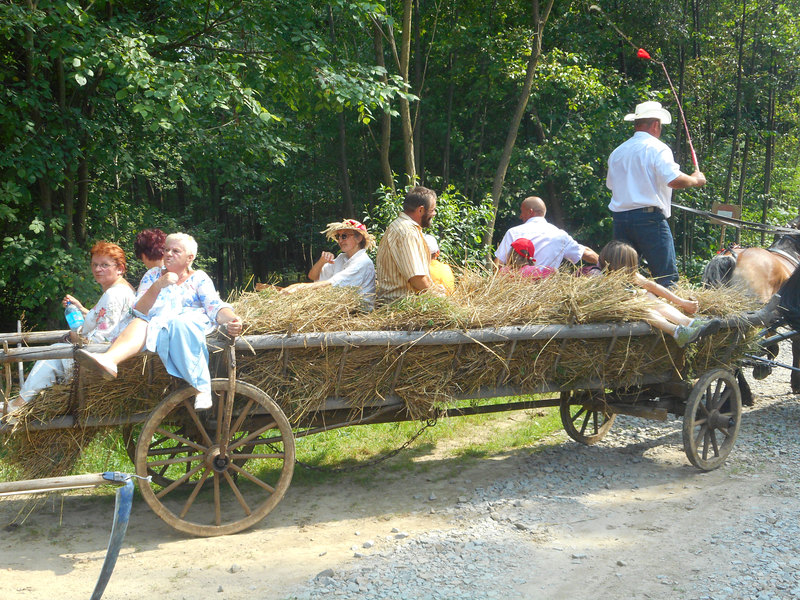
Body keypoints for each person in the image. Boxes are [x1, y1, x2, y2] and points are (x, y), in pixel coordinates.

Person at [76, 233, 243, 410]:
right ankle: (109, 360)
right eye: (166, 249)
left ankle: (201, 387)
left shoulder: (199, 278)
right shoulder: (152, 275)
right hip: (157, 327)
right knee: (139, 322)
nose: (168, 254)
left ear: (189, 258)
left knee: (180, 323)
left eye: (175, 251)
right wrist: (158, 285)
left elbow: (215, 307)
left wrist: (232, 319)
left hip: (186, 326)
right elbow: (139, 310)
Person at [7, 242, 135, 413]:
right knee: (56, 351)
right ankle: (24, 403)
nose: (98, 269)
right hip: (109, 356)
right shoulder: (123, 290)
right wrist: (81, 309)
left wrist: (76, 337)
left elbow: (103, 337)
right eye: (95, 264)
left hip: (98, 361)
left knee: (52, 354)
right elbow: (104, 319)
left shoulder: (113, 294)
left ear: (120, 268)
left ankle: (20, 405)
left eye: (105, 265)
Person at [607, 101, 707, 288]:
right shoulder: (657, 148)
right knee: (666, 277)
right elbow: (674, 180)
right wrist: (696, 180)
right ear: (655, 125)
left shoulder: (617, 152)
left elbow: (612, 186)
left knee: (623, 278)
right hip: (649, 219)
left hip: (620, 220)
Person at [598, 240, 720, 347]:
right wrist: (636, 293)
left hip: (635, 305)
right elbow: (612, 298)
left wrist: (682, 302)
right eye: (629, 266)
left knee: (648, 295)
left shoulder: (632, 275)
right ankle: (676, 332)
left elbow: (653, 286)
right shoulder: (600, 277)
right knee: (639, 303)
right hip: (617, 313)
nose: (632, 271)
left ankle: (688, 322)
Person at [281, 219, 376, 308]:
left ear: (359, 238)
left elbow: (331, 284)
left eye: (344, 236)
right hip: (342, 307)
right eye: (338, 236)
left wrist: (299, 288)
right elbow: (313, 276)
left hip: (357, 311)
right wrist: (322, 261)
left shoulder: (362, 262)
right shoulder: (342, 258)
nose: (340, 241)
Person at [375, 186, 447, 301]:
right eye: (432, 210)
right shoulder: (407, 232)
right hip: (400, 305)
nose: (434, 213)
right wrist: (435, 294)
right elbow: (416, 277)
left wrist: (434, 288)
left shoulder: (400, 226)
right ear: (420, 210)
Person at [494, 196, 598, 270]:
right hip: (546, 290)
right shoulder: (560, 235)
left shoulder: (514, 232)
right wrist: (604, 263)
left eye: (522, 211)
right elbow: (586, 253)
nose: (520, 216)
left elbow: (498, 265)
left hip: (517, 289)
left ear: (530, 212)